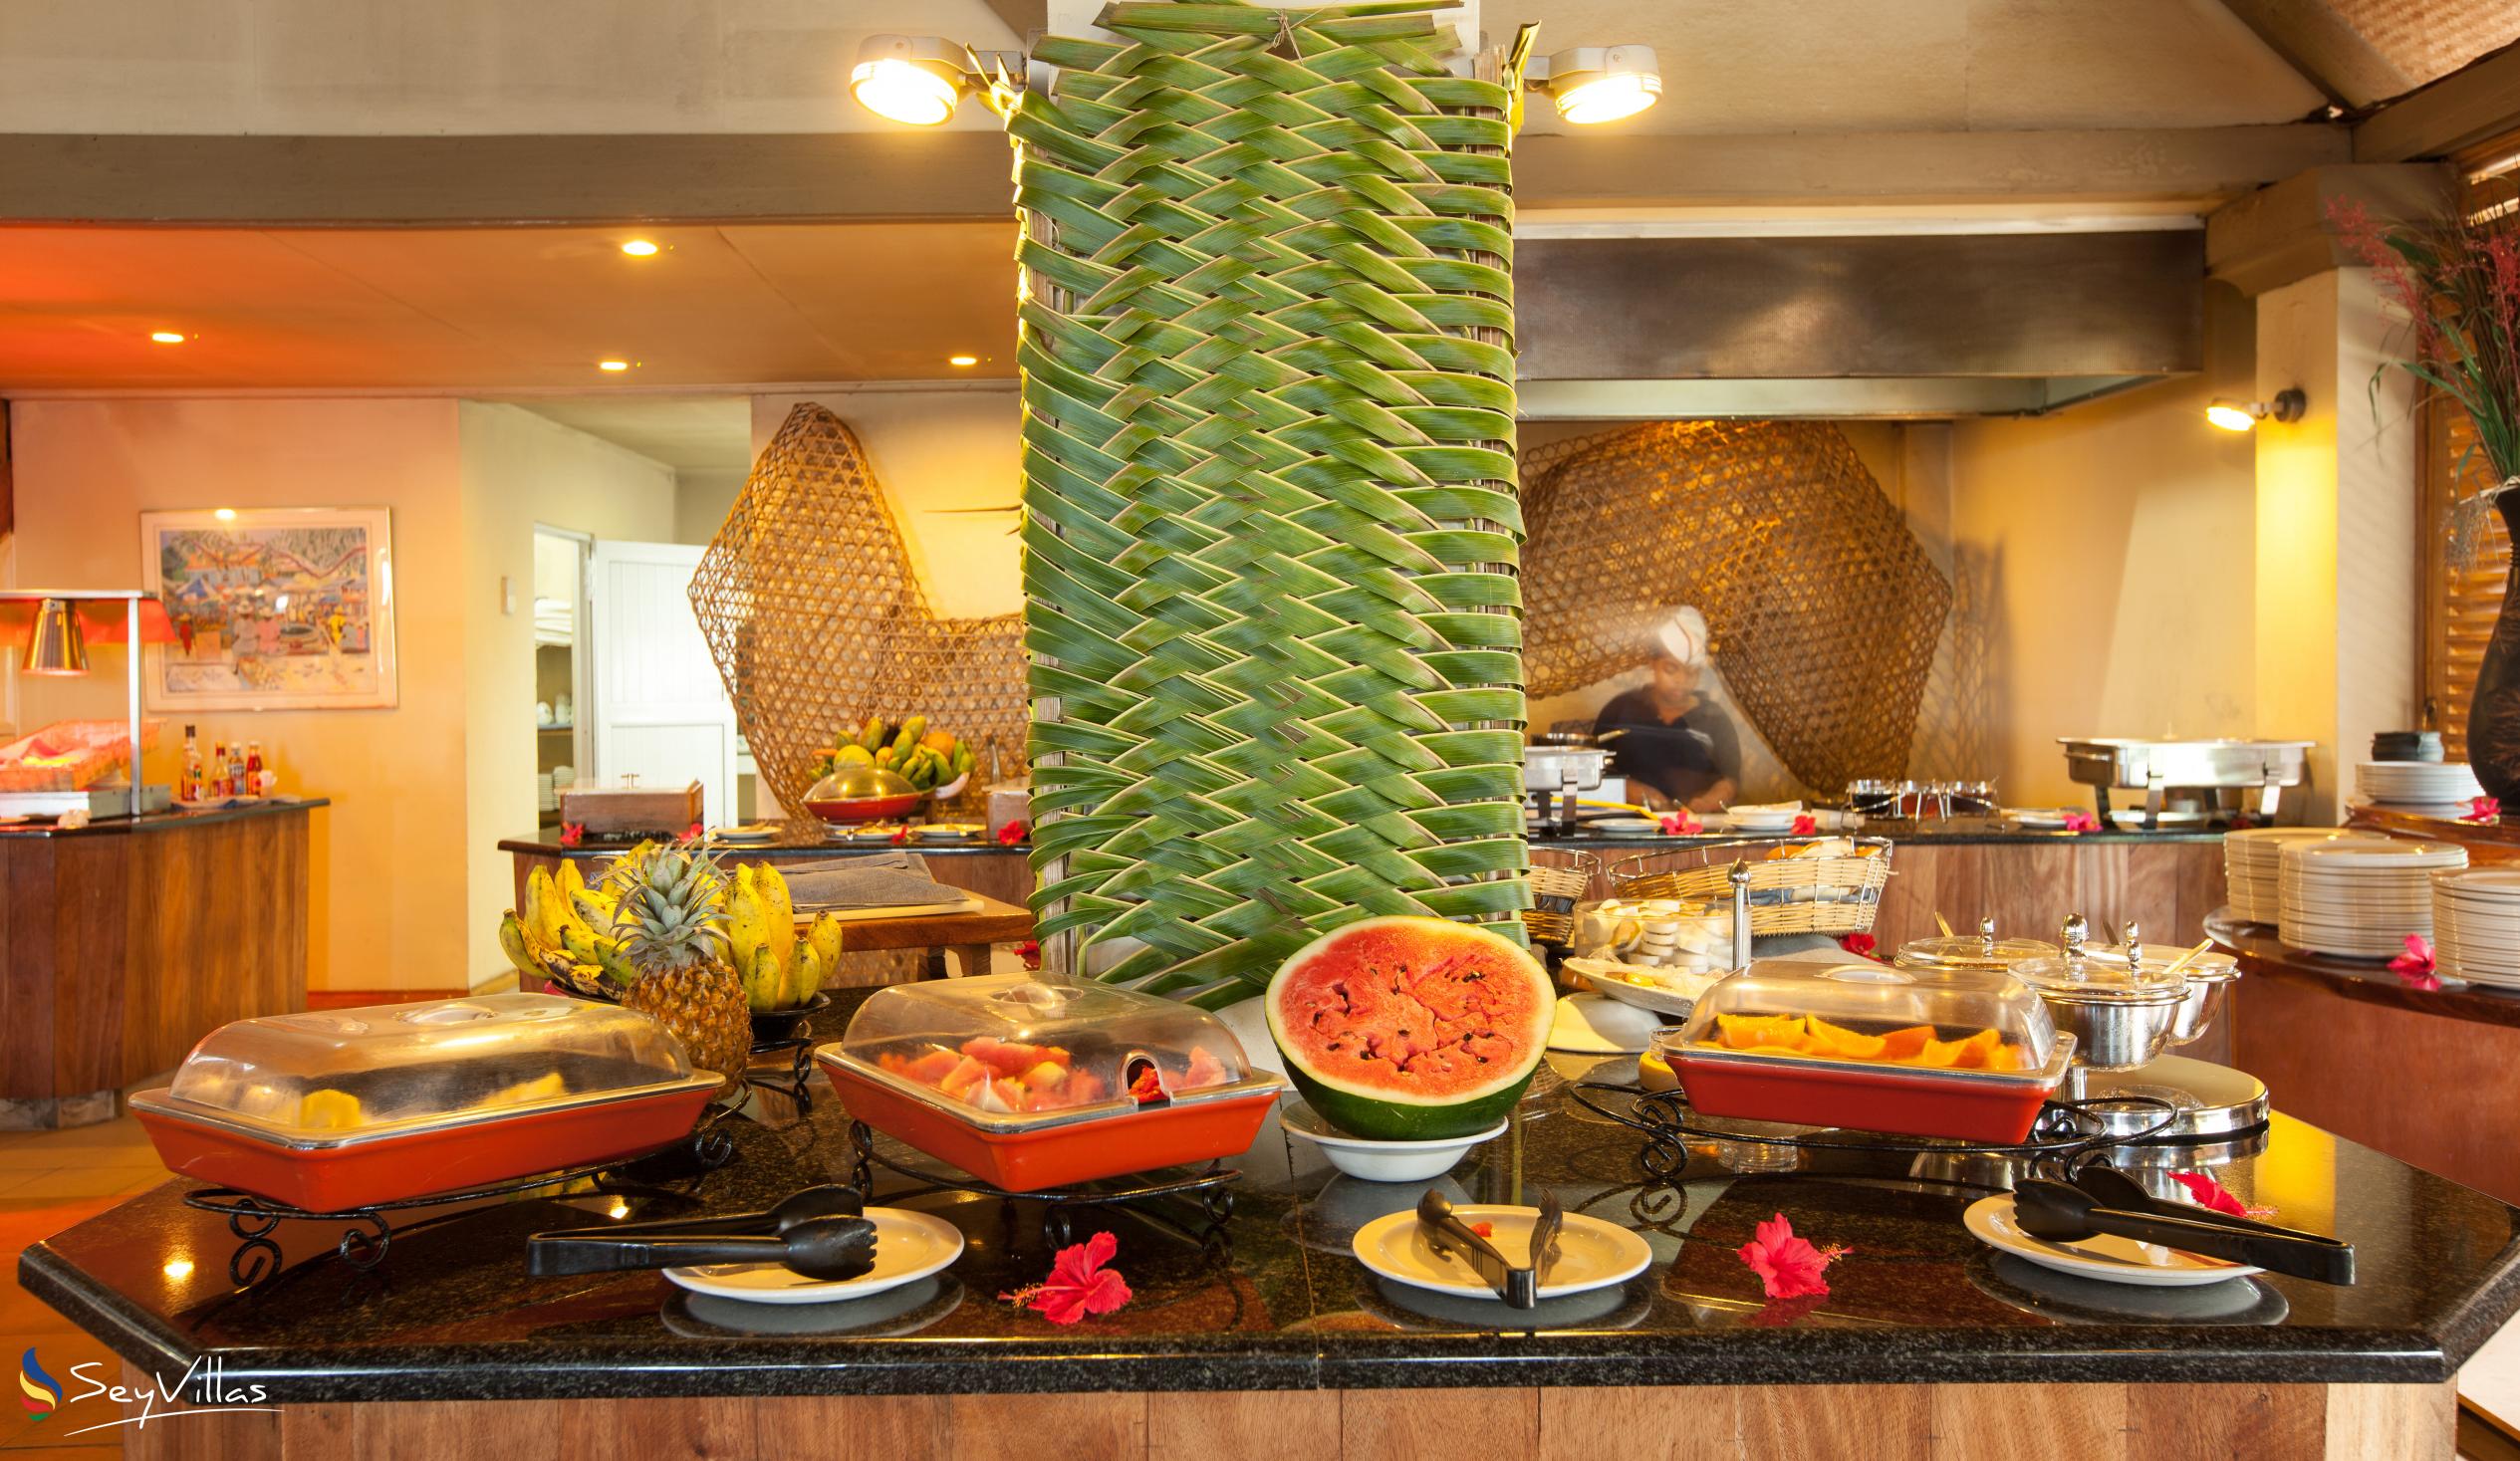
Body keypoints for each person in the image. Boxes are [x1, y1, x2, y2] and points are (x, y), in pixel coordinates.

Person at [1593, 607, 1741, 813]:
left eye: (1691, 673)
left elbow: (1730, 780)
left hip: (1697, 826)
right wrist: (1630, 790)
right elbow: (1593, 774)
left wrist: (1708, 802)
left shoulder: (1714, 719)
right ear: (1652, 664)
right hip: (1626, 826)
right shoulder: (1620, 710)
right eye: (1671, 669)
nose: (1681, 680)